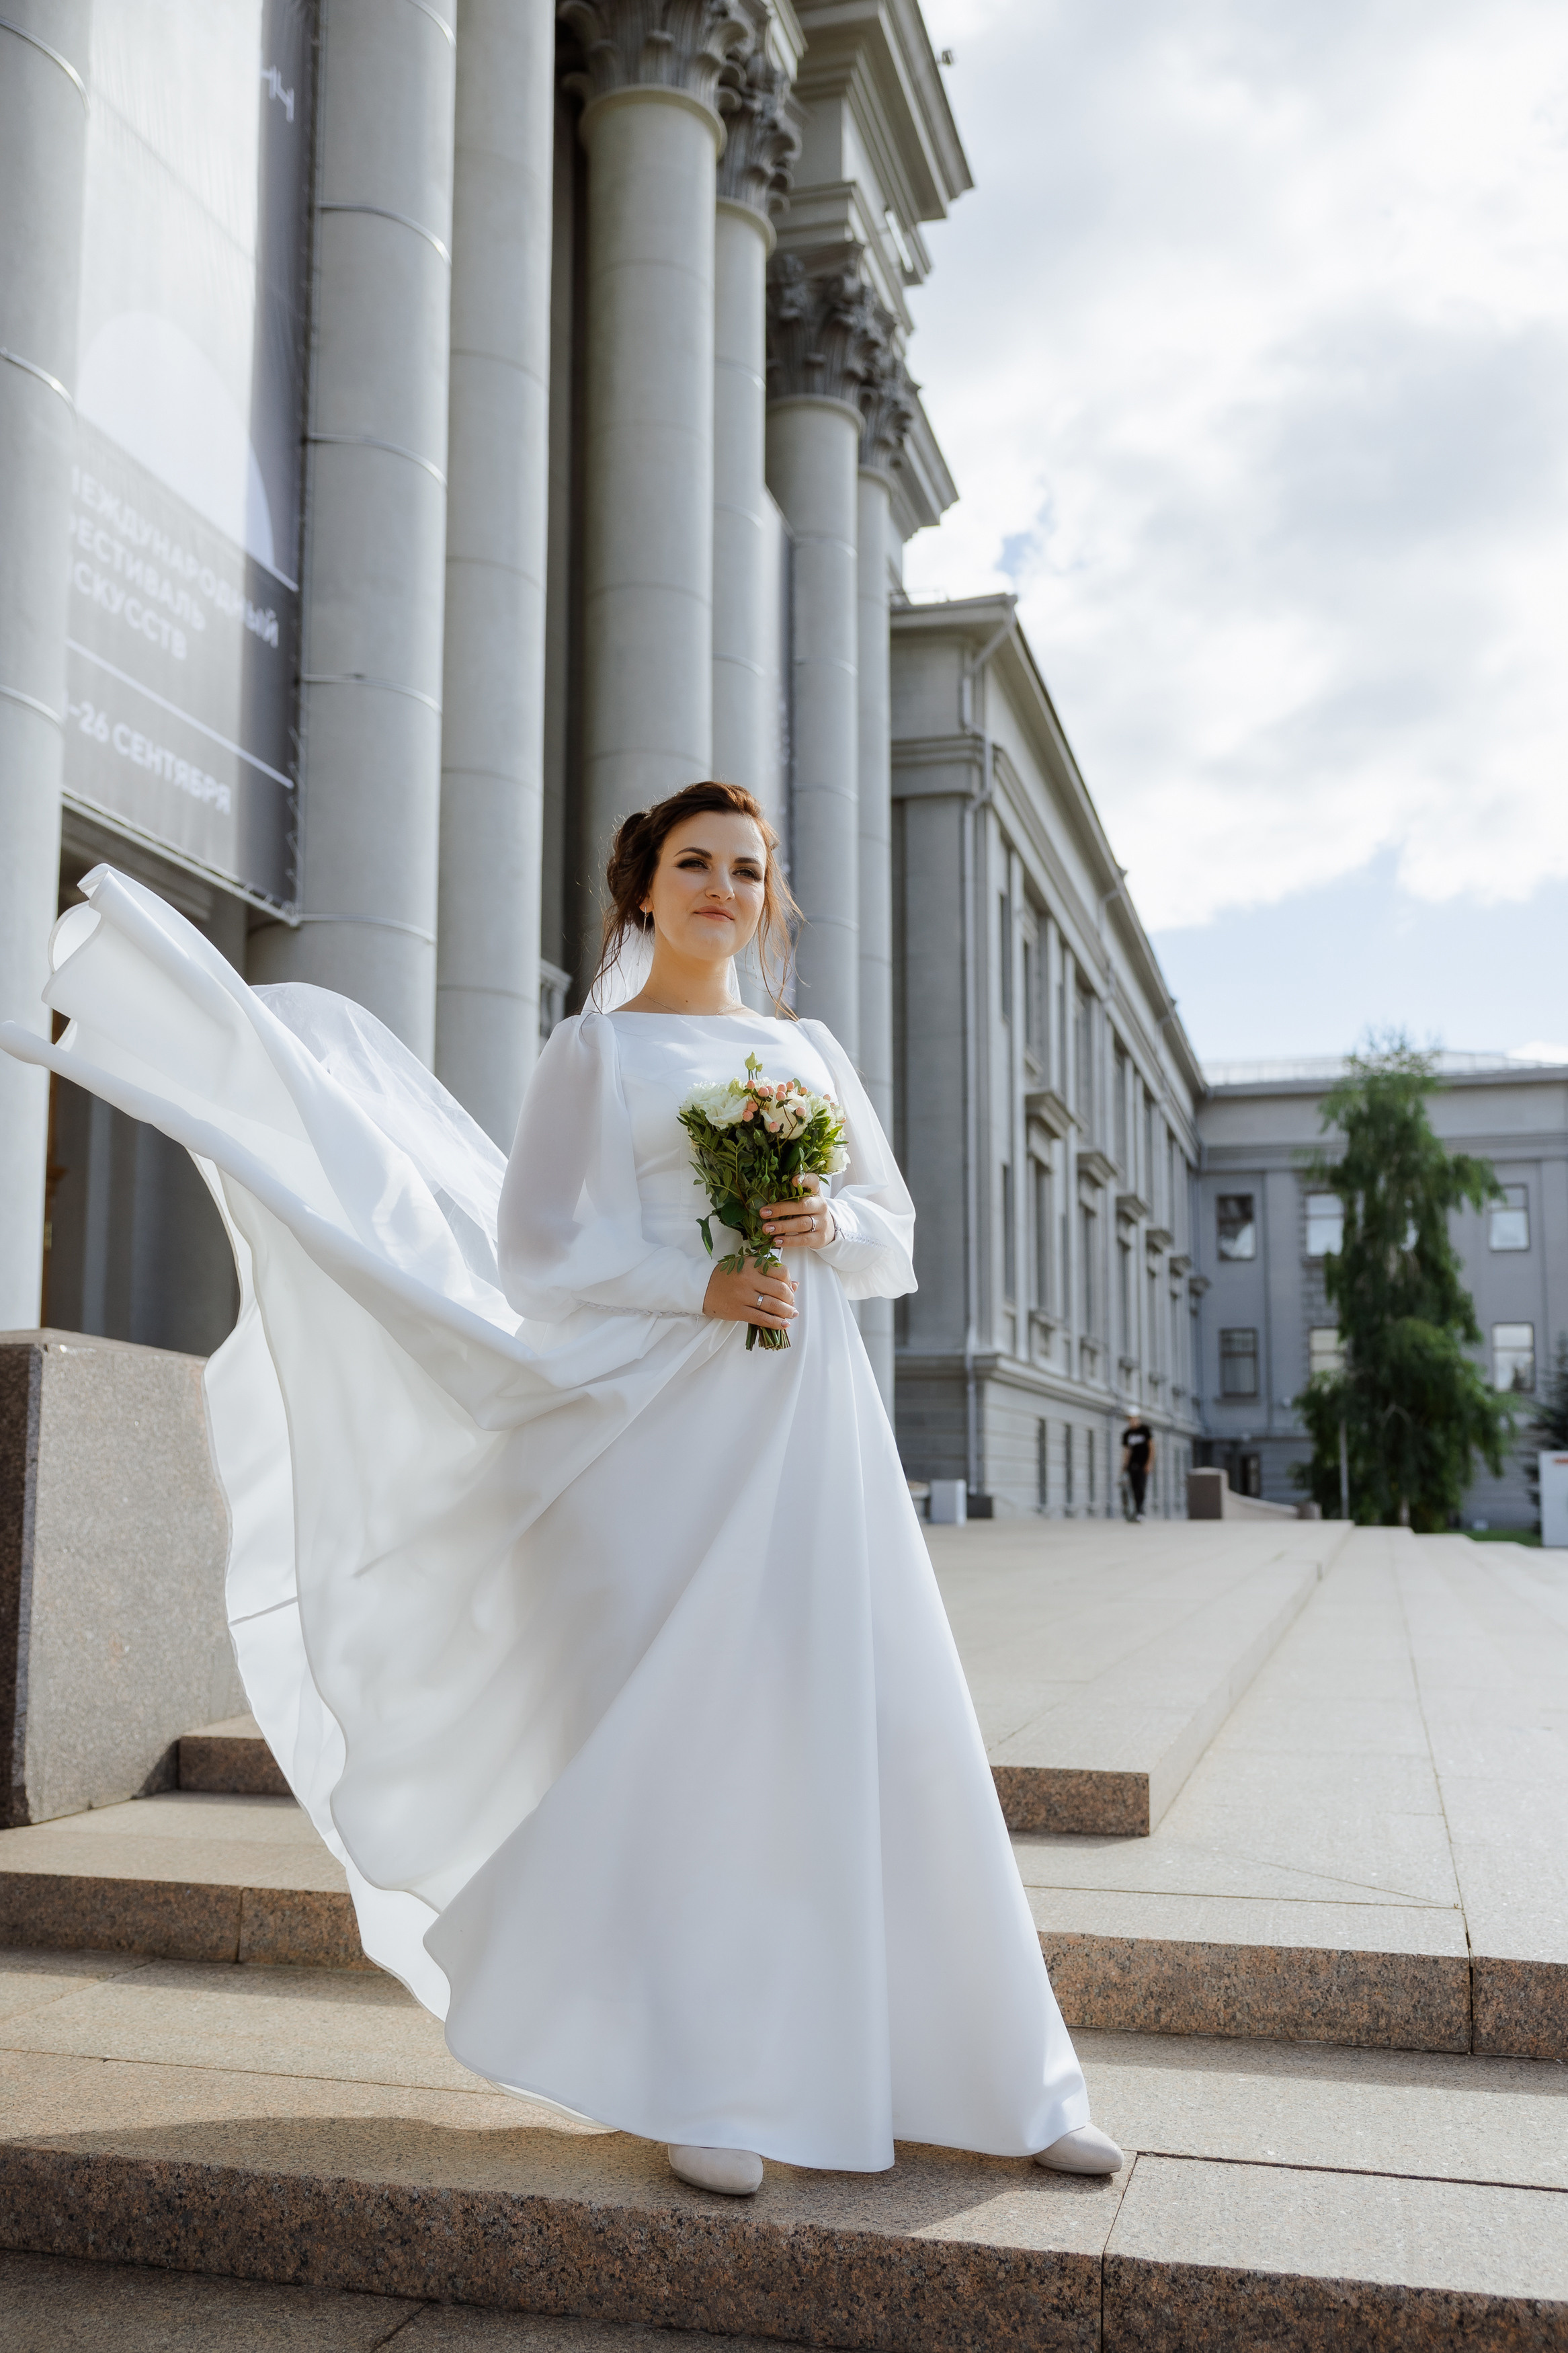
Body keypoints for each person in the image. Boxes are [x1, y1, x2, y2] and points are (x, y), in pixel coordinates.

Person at [0, 780, 1122, 2196]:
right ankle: (703, 2080)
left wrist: (826, 1218)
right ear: (643, 887)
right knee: (685, 1742)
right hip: (649, 1435)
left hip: (808, 1425)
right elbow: (534, 1251)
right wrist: (699, 1281)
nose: (722, 890)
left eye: (746, 871)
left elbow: (890, 1236)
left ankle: (1003, 2079)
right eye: (695, 864)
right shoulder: (593, 1052)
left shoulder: (808, 1050)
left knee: (880, 1712)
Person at [1122, 1414, 1155, 1520]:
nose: (1132, 1421)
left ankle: (1140, 1511)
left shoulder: (1145, 1430)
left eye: (1133, 1418)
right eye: (1130, 1419)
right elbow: (1127, 1451)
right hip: (1132, 1464)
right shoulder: (1127, 1433)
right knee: (1133, 1488)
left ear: (1137, 1419)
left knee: (1141, 1487)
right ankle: (1137, 1511)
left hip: (1143, 1465)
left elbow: (1151, 1447)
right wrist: (1124, 1466)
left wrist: (1149, 1463)